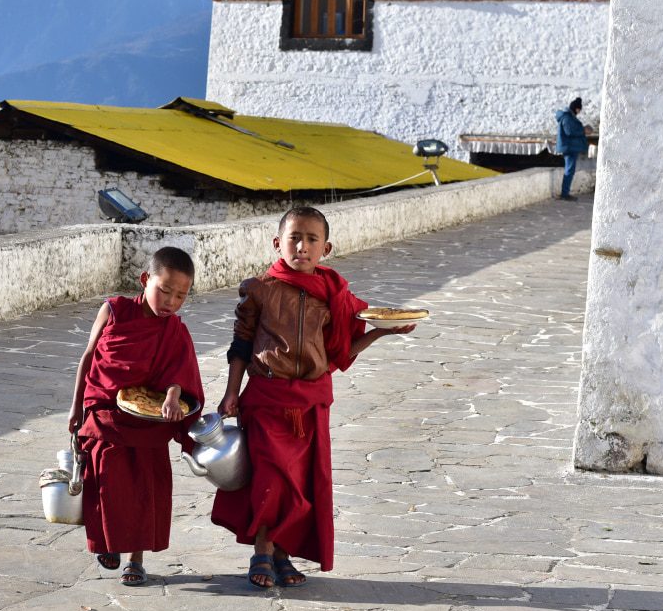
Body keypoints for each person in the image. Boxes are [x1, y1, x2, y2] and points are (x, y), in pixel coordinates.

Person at [211, 207, 414, 589]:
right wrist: (231, 393)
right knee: (272, 478)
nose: (302, 247)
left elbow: (341, 351)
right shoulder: (260, 289)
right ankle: (262, 549)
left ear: (326, 248)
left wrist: (382, 333)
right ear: (277, 243)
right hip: (268, 397)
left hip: (311, 400)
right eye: (294, 238)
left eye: (311, 240)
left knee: (301, 484)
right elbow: (240, 344)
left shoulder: (335, 294)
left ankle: (282, 554)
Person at [68, 246, 203, 586]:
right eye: (165, 290)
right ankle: (109, 543)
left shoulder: (174, 330)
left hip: (149, 418)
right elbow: (89, 357)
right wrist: (75, 406)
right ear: (145, 280)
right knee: (105, 482)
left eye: (180, 296)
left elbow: (180, 374)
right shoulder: (114, 311)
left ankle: (135, 559)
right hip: (105, 410)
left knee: (144, 488)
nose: (171, 301)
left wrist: (173, 397)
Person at [555, 97, 588, 202]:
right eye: (578, 110)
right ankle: (565, 194)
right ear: (575, 108)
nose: (579, 112)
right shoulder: (567, 118)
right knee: (569, 170)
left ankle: (565, 192)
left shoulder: (567, 116)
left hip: (570, 147)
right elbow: (569, 132)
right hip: (569, 148)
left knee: (569, 170)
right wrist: (583, 130)